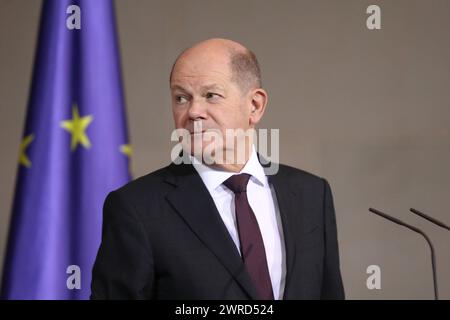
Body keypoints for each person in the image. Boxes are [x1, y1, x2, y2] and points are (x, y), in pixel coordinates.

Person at [90, 38, 345, 300]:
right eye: (181, 98)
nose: (193, 111)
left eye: (211, 95)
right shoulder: (137, 208)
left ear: (254, 106)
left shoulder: (312, 194)